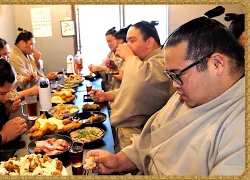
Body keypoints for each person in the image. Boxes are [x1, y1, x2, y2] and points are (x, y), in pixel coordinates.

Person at [87, 6, 245, 175]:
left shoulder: (240, 125)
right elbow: (148, 141)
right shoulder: (183, 95)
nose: (175, 85)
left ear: (217, 64)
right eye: (171, 76)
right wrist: (118, 162)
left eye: (177, 74)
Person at [90, 21, 173, 152]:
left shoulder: (163, 61)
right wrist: (107, 95)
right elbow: (131, 88)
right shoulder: (143, 62)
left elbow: (140, 81)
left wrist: (129, 56)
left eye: (131, 41)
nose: (127, 46)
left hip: (141, 132)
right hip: (130, 129)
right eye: (127, 41)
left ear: (150, 42)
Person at [0, 33, 39, 100]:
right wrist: (29, 92)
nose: (8, 57)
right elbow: (4, 95)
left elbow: (15, 78)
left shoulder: (0, 63)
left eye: (8, 54)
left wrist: (25, 80)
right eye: (5, 54)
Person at [88, 27, 124, 91]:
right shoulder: (110, 54)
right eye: (107, 42)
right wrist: (95, 69)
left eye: (110, 41)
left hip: (119, 92)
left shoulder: (125, 56)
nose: (108, 44)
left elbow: (122, 76)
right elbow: (102, 68)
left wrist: (103, 68)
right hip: (110, 90)